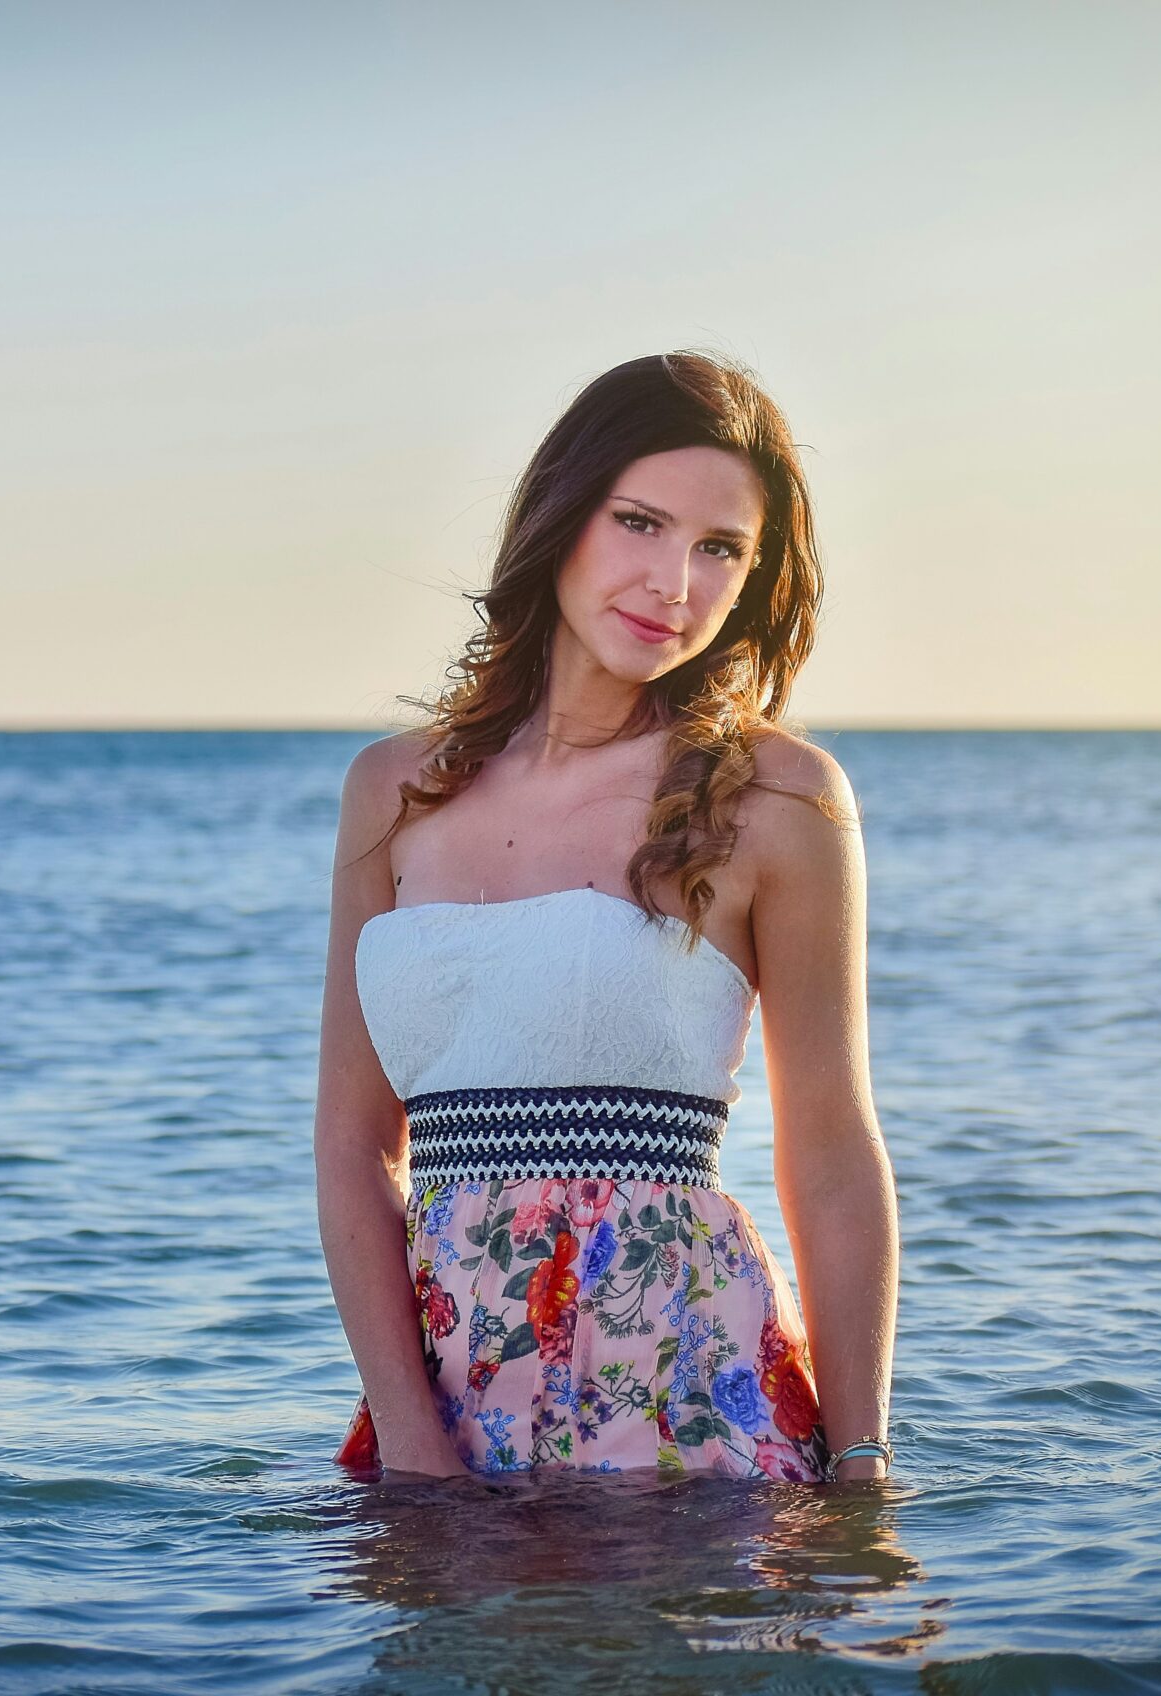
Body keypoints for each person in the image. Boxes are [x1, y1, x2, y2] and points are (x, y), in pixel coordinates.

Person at [317, 350, 899, 1483]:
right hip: (446, 1397)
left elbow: (829, 1149)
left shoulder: (777, 798)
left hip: (686, 1393)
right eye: (639, 521)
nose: (673, 580)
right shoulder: (390, 789)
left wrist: (863, 1455)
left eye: (719, 547)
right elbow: (351, 1145)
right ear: (561, 516)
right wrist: (411, 1439)